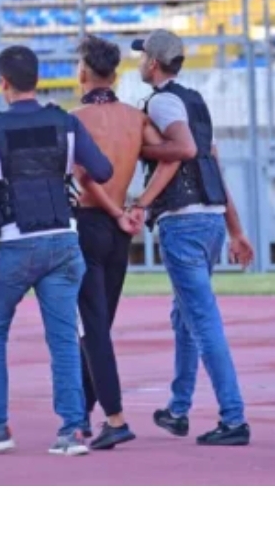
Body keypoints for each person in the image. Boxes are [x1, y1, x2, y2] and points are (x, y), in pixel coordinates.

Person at [0, 45, 114, 457]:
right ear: (37, 80)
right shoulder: (65, 122)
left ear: (2, 83)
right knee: (63, 339)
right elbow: (103, 170)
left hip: (14, 245)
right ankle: (71, 430)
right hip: (63, 242)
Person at [131, 29, 256, 447]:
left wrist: (144, 154)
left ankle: (233, 418)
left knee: (202, 320)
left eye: (143, 57)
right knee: (184, 315)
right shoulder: (196, 102)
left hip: (183, 221)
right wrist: (235, 228)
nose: (140, 62)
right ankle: (178, 408)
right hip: (211, 218)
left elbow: (183, 150)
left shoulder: (161, 102)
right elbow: (212, 165)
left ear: (153, 63)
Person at [66, 34, 181, 450]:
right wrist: (140, 204)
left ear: (82, 72)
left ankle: (114, 418)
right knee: (99, 325)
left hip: (89, 223)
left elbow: (84, 178)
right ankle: (81, 413)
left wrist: (118, 211)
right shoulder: (135, 118)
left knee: (92, 328)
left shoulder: (73, 119)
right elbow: (175, 154)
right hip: (119, 232)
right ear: (114, 75)